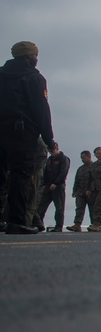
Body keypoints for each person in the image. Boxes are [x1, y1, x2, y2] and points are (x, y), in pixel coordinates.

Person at [0, 41, 56, 235]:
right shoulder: (34, 78)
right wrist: (49, 140)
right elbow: (41, 110)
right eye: (35, 55)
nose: (36, 59)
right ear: (27, 57)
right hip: (21, 132)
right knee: (21, 176)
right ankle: (17, 221)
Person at [33, 142, 70, 232]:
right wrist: (44, 183)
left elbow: (63, 172)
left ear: (57, 148)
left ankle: (58, 226)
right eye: (49, 150)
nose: (51, 151)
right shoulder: (49, 159)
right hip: (48, 185)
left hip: (58, 186)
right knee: (41, 206)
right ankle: (39, 225)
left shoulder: (63, 159)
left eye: (52, 149)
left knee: (59, 207)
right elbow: (46, 172)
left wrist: (56, 183)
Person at [66, 150, 94, 232]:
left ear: (89, 157)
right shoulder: (80, 169)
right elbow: (76, 180)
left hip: (90, 193)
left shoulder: (94, 167)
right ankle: (77, 224)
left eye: (84, 158)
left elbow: (94, 180)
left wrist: (90, 190)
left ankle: (94, 224)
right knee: (79, 209)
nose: (82, 160)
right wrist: (74, 191)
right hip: (80, 192)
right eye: (81, 158)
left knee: (92, 209)